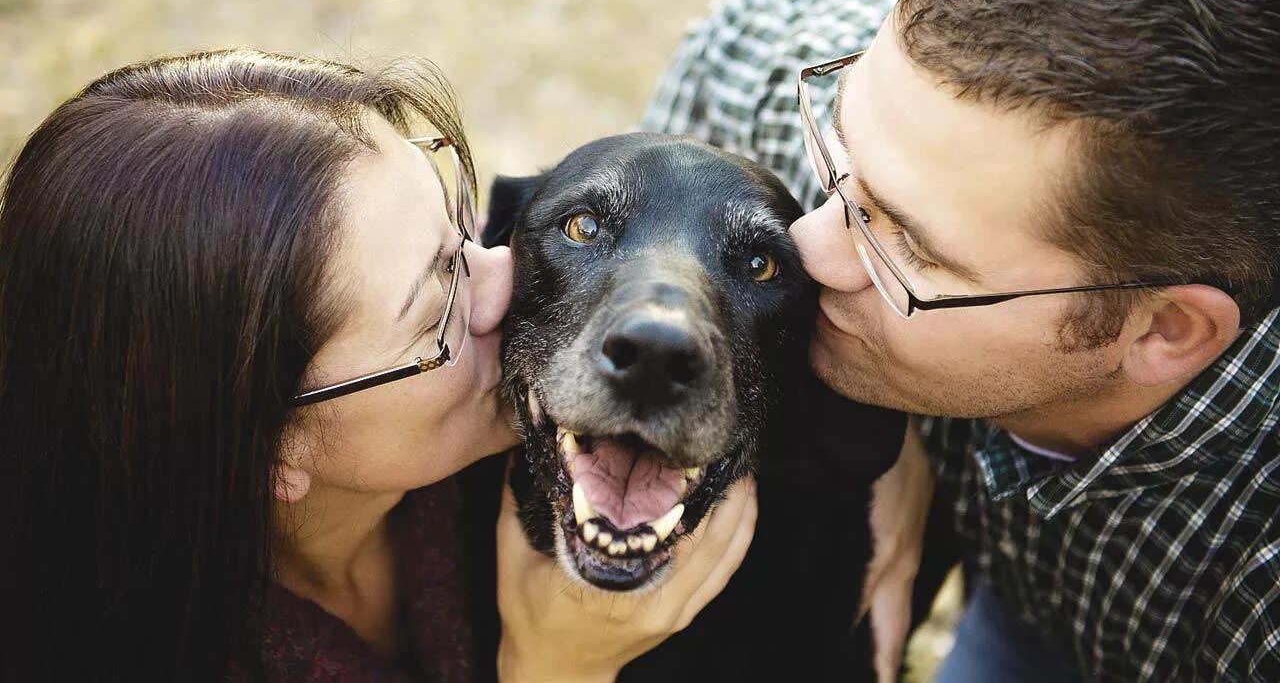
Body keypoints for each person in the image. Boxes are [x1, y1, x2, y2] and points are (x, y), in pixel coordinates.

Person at [642, 0, 1280, 680]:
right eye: (839, 141)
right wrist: (878, 439)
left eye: (905, 243)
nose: (808, 246)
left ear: (1164, 331)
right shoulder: (919, 126)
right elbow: (730, 46)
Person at [0, 49, 757, 683]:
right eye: (435, 311)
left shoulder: (567, 463)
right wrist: (558, 665)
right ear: (269, 444)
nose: (505, 276)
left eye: (460, 228)